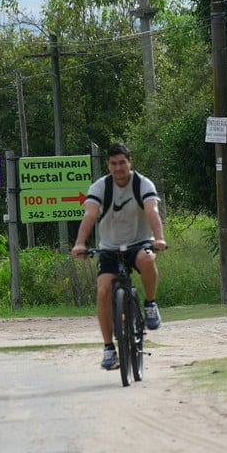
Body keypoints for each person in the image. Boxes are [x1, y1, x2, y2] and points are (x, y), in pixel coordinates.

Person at [71, 143, 167, 370]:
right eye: (113, 163)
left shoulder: (142, 184)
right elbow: (90, 215)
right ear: (108, 165)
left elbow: (152, 211)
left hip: (138, 242)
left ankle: (150, 304)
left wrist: (159, 238)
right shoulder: (100, 187)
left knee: (147, 259)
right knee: (103, 289)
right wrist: (80, 243)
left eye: (122, 162)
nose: (118, 168)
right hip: (109, 247)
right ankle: (108, 349)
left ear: (130, 162)